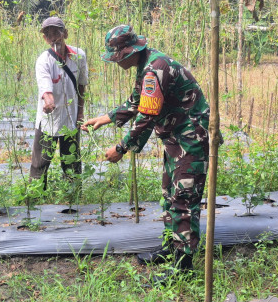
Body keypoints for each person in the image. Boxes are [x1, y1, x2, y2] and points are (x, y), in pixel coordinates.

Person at [82, 24, 210, 277]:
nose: (116, 63)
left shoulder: (155, 70)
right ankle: (170, 247)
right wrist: (104, 119)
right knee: (169, 194)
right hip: (176, 138)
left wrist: (121, 148)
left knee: (183, 200)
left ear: (129, 52)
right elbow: (135, 102)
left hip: (189, 138)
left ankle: (183, 266)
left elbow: (146, 116)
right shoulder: (148, 65)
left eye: (117, 57)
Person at [29, 17, 88, 188]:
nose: (53, 37)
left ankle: (74, 195)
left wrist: (81, 112)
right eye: (48, 34)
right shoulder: (43, 60)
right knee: (40, 163)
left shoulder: (79, 55)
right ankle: (36, 195)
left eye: (57, 32)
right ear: (44, 39)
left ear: (65, 34)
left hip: (71, 117)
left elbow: (82, 85)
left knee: (72, 161)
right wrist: (48, 101)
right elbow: (45, 87)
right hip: (48, 119)